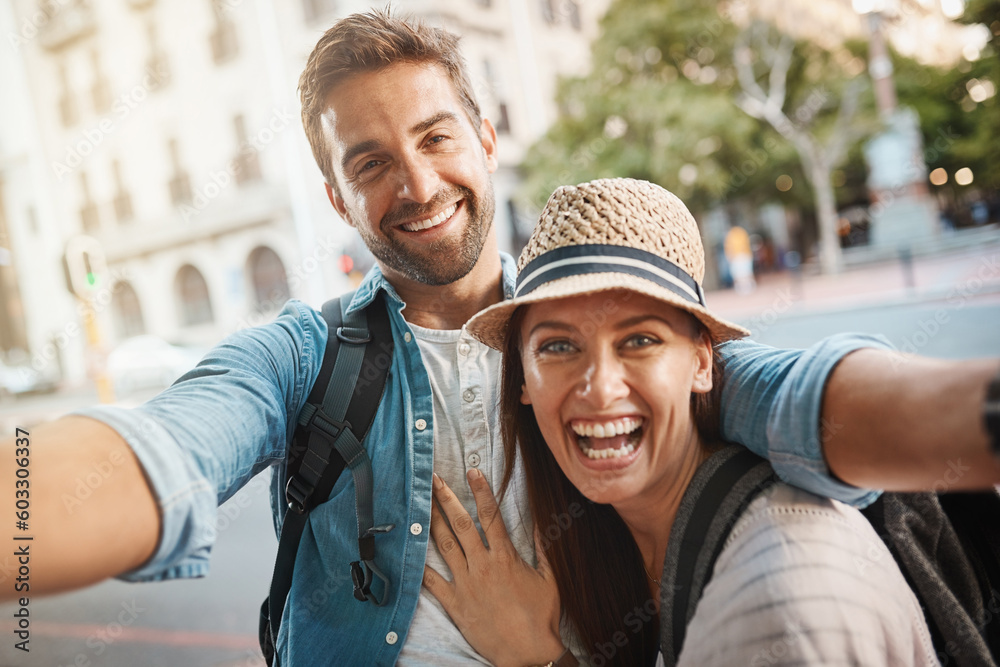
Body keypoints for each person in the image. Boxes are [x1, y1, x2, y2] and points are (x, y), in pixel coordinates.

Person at [3, 11, 1000, 666]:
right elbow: (164, 450)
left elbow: (786, 393)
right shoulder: (305, 360)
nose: (419, 184)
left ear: (485, 138)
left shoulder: (587, 330)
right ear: (335, 196)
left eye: (436, 137)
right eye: (371, 161)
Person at [424, 178, 946, 665]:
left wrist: (540, 657)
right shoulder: (612, 541)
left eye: (640, 341)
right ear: (522, 383)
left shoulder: (776, 598)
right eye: (559, 346)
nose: (600, 388)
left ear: (701, 362)